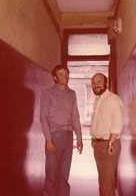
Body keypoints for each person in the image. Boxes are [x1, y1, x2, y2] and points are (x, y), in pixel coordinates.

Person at [40, 64, 83, 196]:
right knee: (52, 174)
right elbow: (43, 117)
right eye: (61, 74)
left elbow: (75, 116)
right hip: (53, 137)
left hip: (68, 137)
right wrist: (48, 140)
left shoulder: (72, 94)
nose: (65, 77)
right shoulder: (47, 93)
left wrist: (79, 138)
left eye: (66, 74)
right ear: (55, 77)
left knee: (64, 175)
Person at [90, 73, 123, 196]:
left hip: (110, 144)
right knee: (102, 180)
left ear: (106, 83)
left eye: (99, 81)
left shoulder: (113, 99)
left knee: (107, 182)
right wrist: (94, 140)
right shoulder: (98, 100)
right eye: (93, 83)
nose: (95, 85)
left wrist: (110, 143)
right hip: (98, 144)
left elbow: (118, 123)